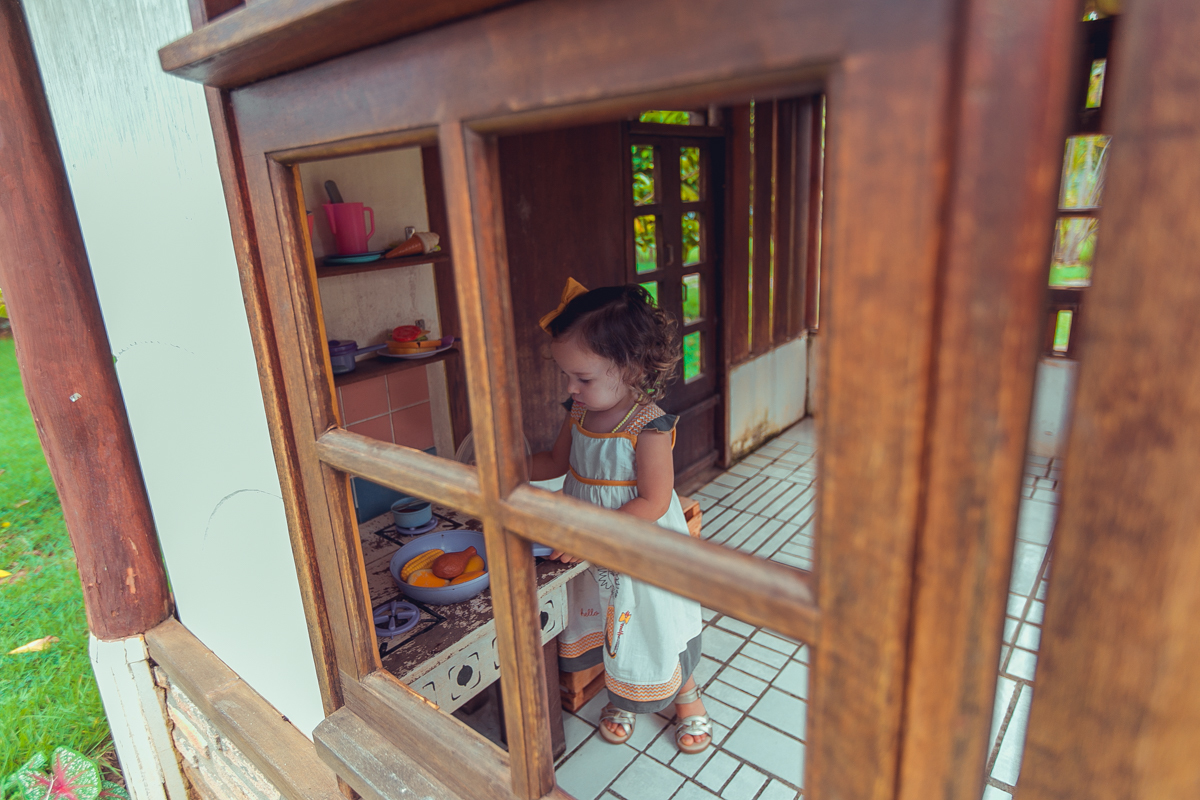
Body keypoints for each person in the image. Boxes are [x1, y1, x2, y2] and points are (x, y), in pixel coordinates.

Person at [529, 279, 711, 755]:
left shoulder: (648, 426)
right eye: (566, 376)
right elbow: (554, 462)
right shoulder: (580, 412)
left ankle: (687, 695)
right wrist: (501, 467)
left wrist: (592, 534)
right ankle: (625, 695)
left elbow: (653, 501)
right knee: (613, 622)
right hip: (589, 548)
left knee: (652, 623)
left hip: (637, 547)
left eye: (582, 378)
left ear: (629, 368)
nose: (570, 389)